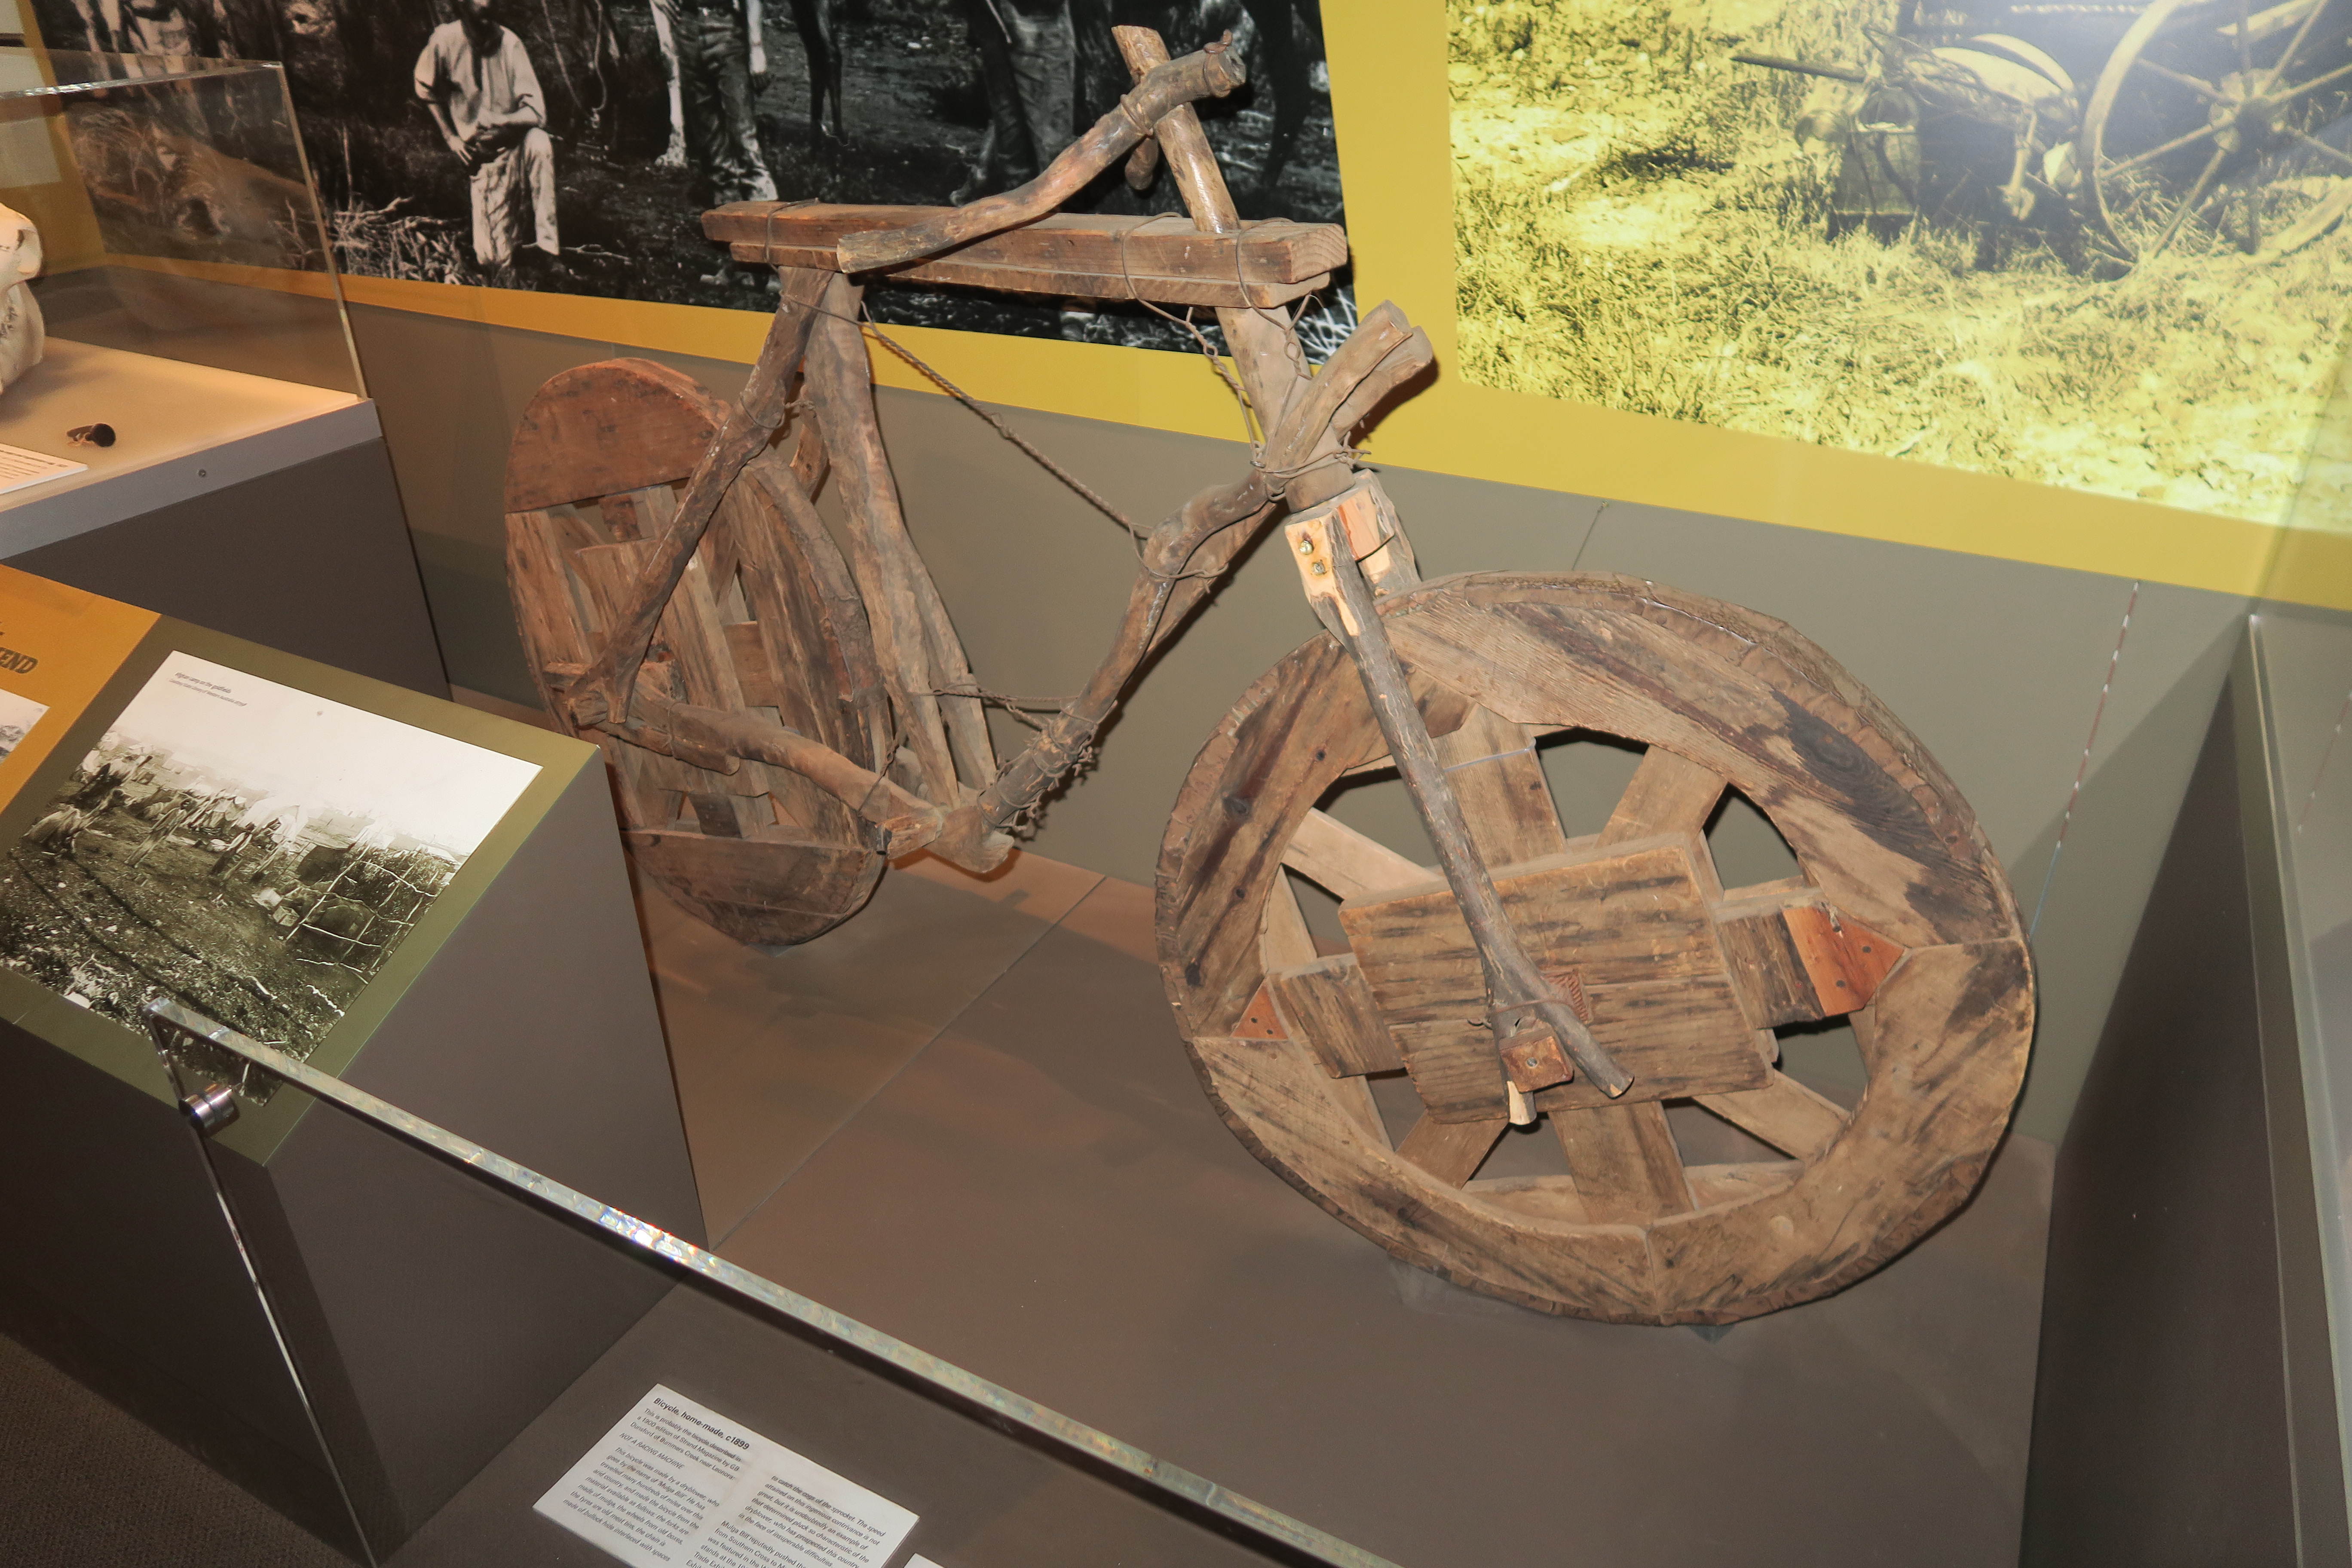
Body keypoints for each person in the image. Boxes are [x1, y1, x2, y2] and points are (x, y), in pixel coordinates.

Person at [413, 0, 560, 273]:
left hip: (516, 142)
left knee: (540, 142)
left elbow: (537, 113)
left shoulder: (510, 44)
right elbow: (424, 87)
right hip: (483, 158)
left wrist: (502, 119)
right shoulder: (445, 40)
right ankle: (512, 237)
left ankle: (548, 248)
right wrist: (451, 138)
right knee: (492, 261)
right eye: (479, 17)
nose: (486, 24)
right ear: (463, 10)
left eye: (490, 18)